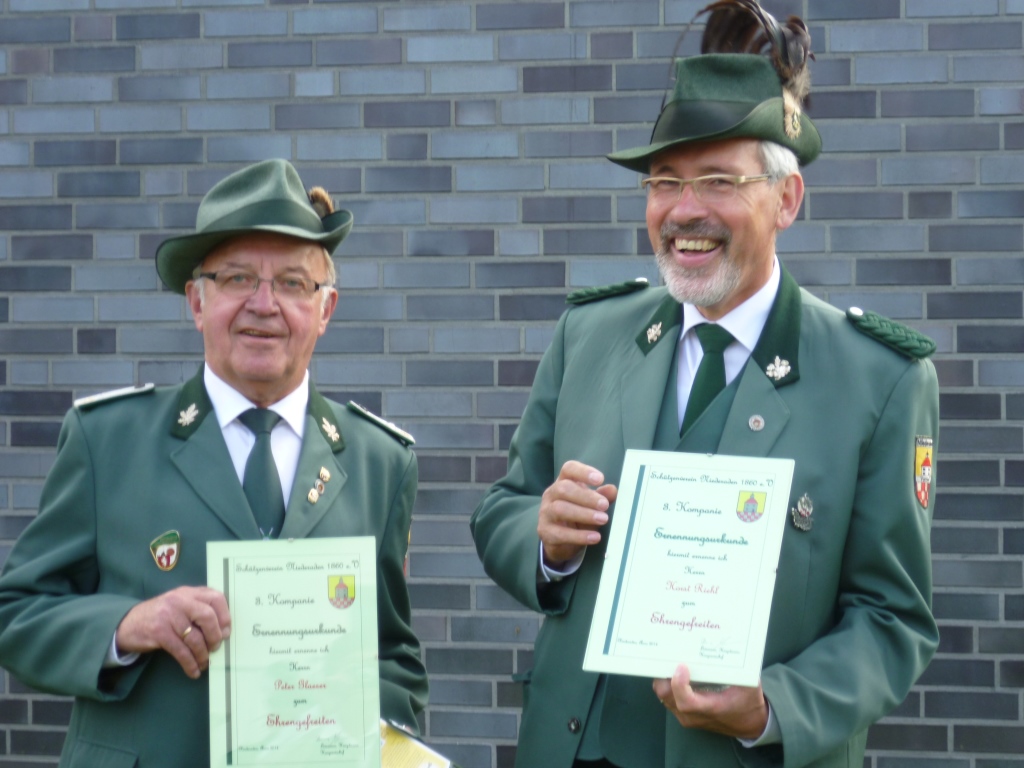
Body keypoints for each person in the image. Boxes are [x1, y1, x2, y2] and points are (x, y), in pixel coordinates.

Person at [470, 4, 939, 767]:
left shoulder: (879, 379)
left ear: (786, 200)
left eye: (719, 181)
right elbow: (503, 510)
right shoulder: (590, 335)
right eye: (664, 182)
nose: (684, 211)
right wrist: (546, 542)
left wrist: (775, 705)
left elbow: (892, 619)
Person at [0, 159, 427, 767]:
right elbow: (16, 615)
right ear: (197, 301)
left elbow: (394, 659)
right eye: (236, 278)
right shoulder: (107, 441)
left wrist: (367, 737)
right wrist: (127, 625)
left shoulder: (380, 462)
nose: (263, 304)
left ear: (326, 310)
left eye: (292, 283)